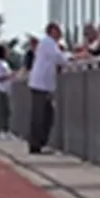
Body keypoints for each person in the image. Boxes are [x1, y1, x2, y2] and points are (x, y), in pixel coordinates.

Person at [25, 23, 70, 155]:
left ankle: (39, 142)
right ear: (52, 31)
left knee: (47, 114)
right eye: (58, 31)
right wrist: (75, 57)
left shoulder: (49, 44)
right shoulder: (48, 43)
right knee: (40, 116)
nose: (60, 34)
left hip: (44, 84)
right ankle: (36, 144)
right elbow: (59, 58)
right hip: (41, 85)